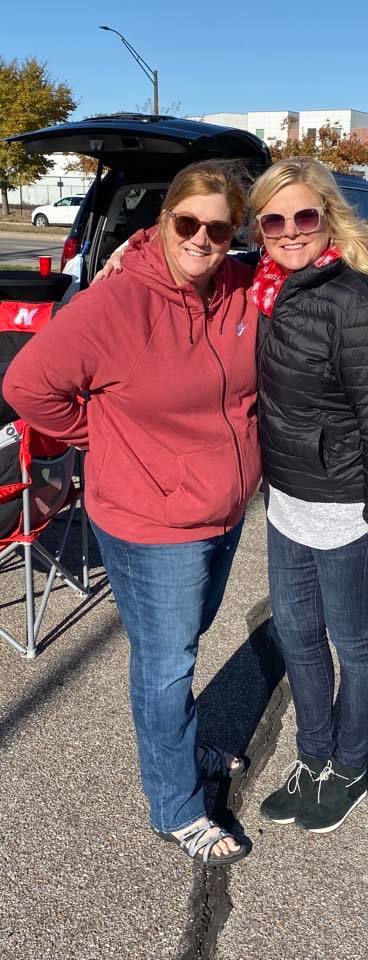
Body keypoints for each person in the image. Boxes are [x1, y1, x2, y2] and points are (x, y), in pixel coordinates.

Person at [3, 161, 262, 867]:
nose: (202, 239)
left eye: (219, 227)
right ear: (164, 220)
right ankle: (176, 805)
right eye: (189, 223)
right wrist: (103, 437)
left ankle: (177, 743)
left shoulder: (244, 288)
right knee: (166, 662)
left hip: (224, 508)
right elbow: (27, 385)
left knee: (183, 641)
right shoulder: (115, 305)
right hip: (150, 524)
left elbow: (318, 257)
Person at [249, 158, 368, 834]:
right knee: (297, 638)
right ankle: (312, 757)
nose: (289, 231)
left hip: (347, 512)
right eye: (274, 219)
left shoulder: (359, 300)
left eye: (303, 217)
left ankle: (349, 765)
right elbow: (181, 247)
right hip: (287, 504)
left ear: (327, 217)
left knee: (357, 644)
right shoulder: (265, 286)